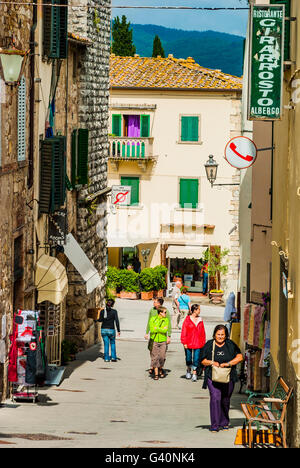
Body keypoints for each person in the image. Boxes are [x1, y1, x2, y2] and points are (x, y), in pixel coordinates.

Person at [201, 324, 243, 432]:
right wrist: (212, 362)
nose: (220, 337)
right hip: (212, 376)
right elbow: (202, 360)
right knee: (215, 398)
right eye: (218, 334)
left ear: (226, 335)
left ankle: (224, 422)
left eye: (222, 335)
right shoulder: (209, 345)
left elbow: (240, 357)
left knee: (225, 400)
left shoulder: (230, 344)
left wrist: (228, 363)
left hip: (228, 376)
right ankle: (214, 425)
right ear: (214, 334)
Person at [145, 298, 172, 375]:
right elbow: (149, 322)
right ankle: (152, 367)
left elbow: (168, 324)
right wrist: (147, 332)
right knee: (152, 352)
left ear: (159, 303)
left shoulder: (165, 311)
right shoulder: (152, 310)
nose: (153, 303)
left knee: (162, 354)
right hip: (153, 336)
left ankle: (160, 368)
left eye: (155, 302)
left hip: (162, 336)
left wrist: (169, 335)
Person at [181, 304, 206, 382]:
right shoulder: (187, 320)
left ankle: (194, 373)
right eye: (199, 309)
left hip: (198, 343)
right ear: (195, 310)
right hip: (188, 342)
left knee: (196, 359)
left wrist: (203, 342)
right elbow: (184, 331)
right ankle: (188, 370)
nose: (200, 311)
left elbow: (203, 332)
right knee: (188, 358)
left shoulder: (200, 320)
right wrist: (184, 342)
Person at [148, 306, 170, 380]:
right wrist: (160, 329)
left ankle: (160, 368)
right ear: (160, 313)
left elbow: (165, 330)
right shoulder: (153, 319)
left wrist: (156, 328)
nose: (166, 314)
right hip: (154, 340)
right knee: (154, 357)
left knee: (162, 357)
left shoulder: (166, 320)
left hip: (163, 340)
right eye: (165, 312)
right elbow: (151, 329)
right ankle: (156, 373)